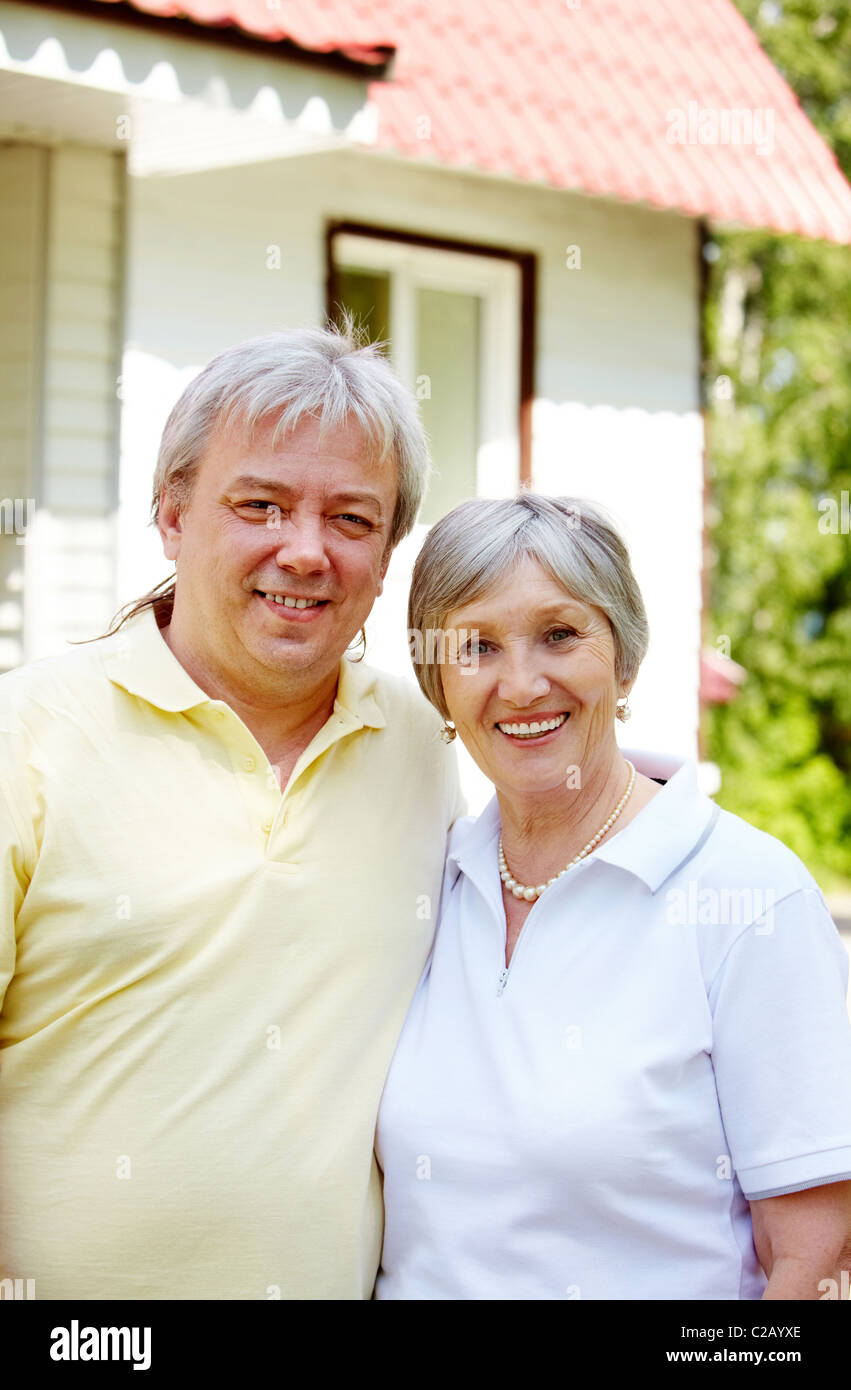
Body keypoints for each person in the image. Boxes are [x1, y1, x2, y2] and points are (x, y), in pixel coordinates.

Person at [0, 323, 464, 1300]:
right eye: (260, 504)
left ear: (385, 554)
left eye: (351, 519)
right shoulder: (27, 733)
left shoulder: (425, 751)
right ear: (170, 514)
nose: (305, 551)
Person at [375, 492, 851, 1300]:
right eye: (476, 646)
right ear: (437, 683)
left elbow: (814, 1260)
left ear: (624, 658)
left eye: (559, 635)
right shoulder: (428, 880)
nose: (521, 684)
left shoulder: (746, 897)